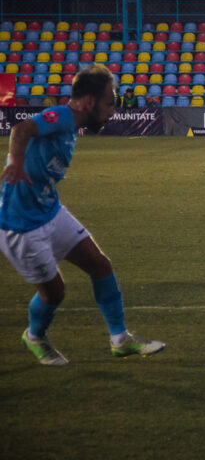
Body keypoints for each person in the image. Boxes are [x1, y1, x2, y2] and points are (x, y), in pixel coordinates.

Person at [1, 64, 164, 365]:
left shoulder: (70, 124)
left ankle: (120, 340)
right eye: (109, 102)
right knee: (55, 294)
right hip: (21, 226)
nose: (113, 111)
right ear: (89, 102)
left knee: (100, 266)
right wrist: (16, 162)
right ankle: (35, 336)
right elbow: (21, 129)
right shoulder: (62, 117)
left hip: (50, 212)